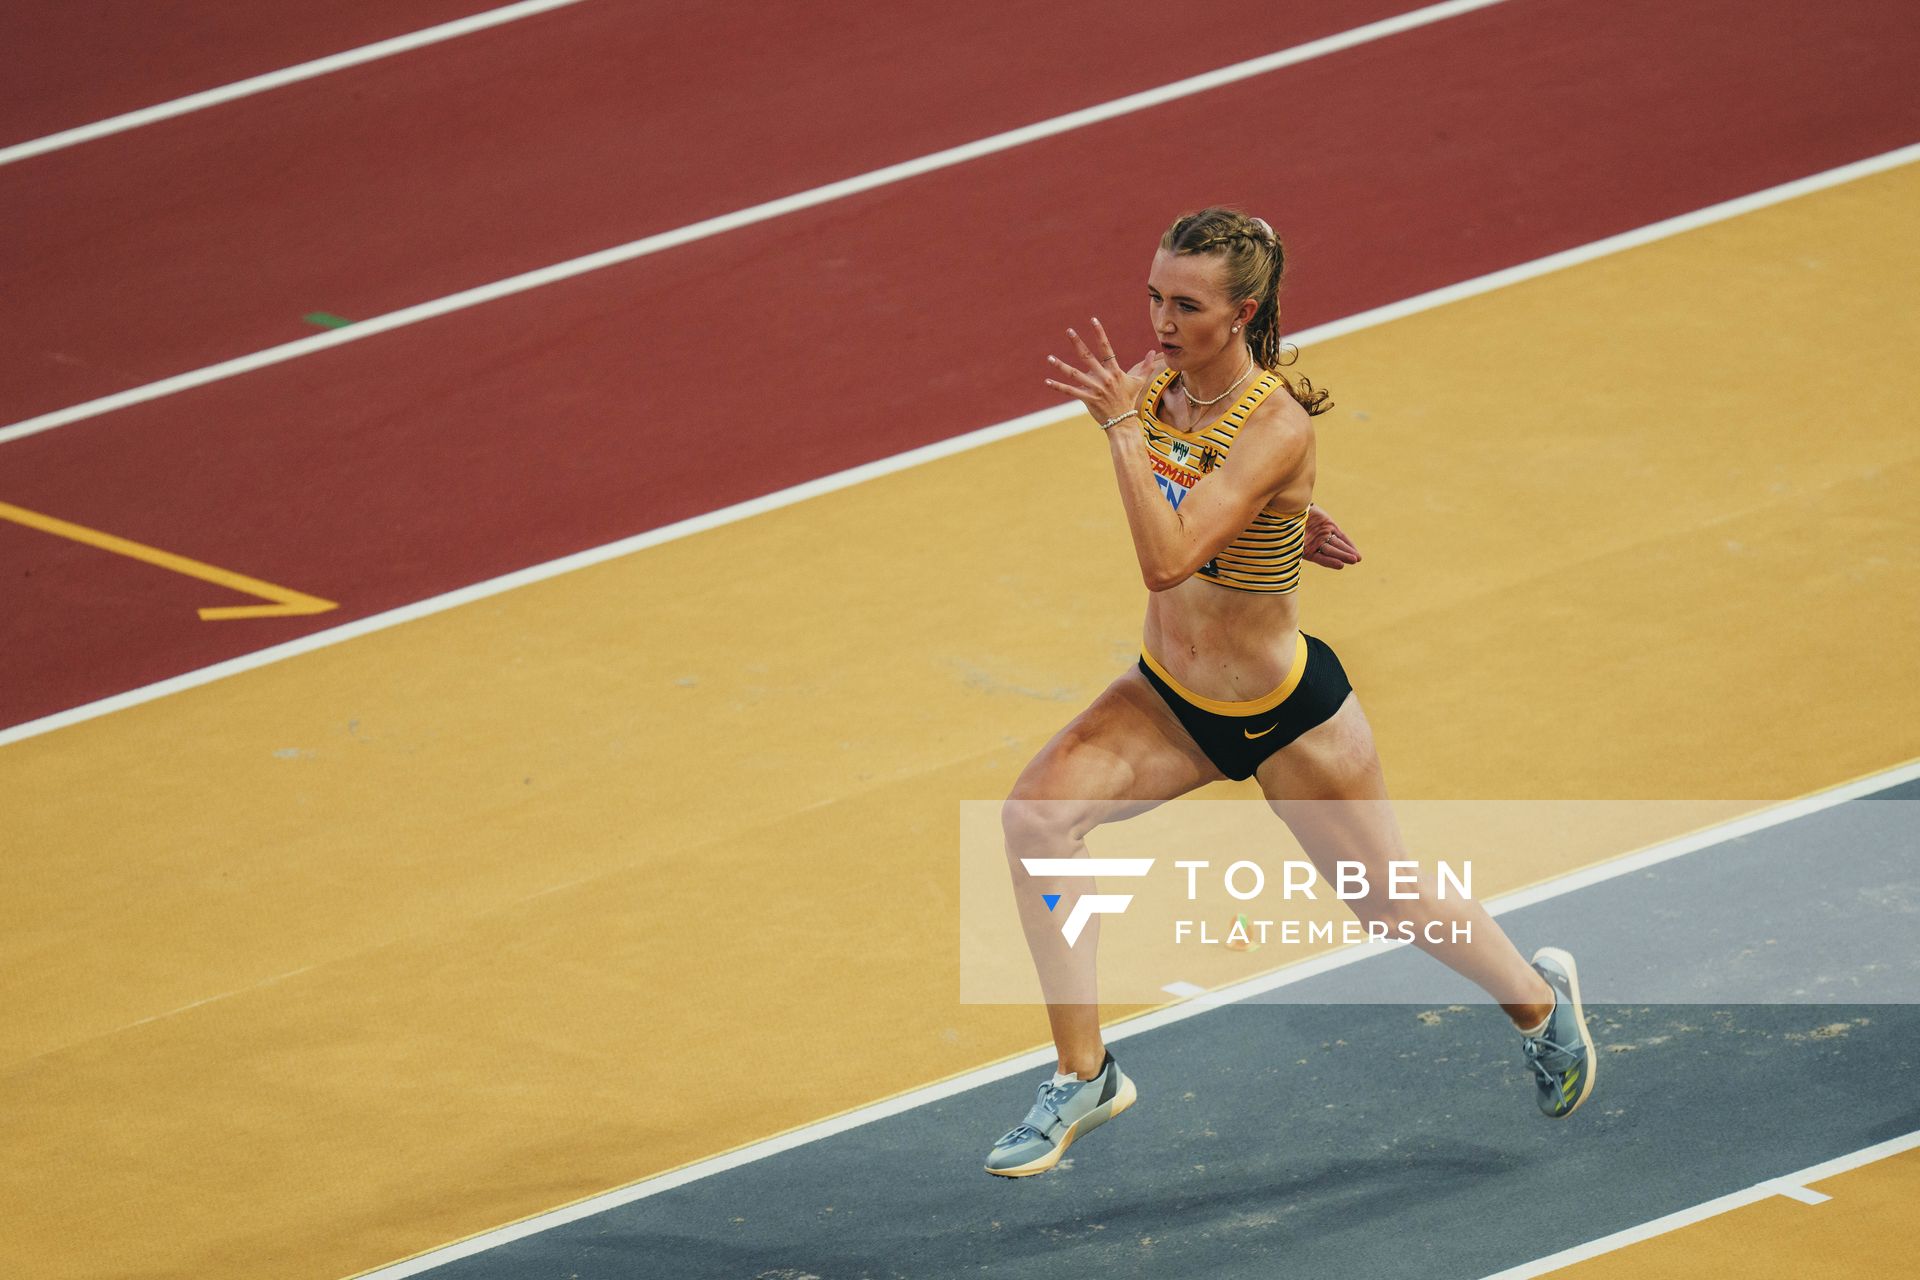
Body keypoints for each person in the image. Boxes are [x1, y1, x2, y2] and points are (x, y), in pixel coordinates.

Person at [984, 208, 1595, 1179]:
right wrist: (1282, 519)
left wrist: (1120, 431)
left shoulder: (1271, 421)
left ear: (1244, 312)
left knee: (1385, 898)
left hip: (1285, 715)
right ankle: (1083, 1071)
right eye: (1154, 296)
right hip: (1171, 700)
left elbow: (1165, 553)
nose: (1161, 320)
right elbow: (1199, 504)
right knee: (1035, 821)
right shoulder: (1156, 388)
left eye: (1186, 304)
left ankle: (1538, 1001)